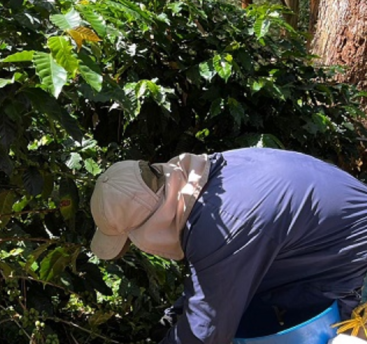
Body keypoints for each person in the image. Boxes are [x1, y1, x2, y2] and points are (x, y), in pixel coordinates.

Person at [89, 147, 367, 343]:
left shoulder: (221, 227)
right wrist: (177, 313)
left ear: (149, 227)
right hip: (325, 253)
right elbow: (218, 280)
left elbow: (207, 331)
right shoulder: (211, 182)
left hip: (353, 270)